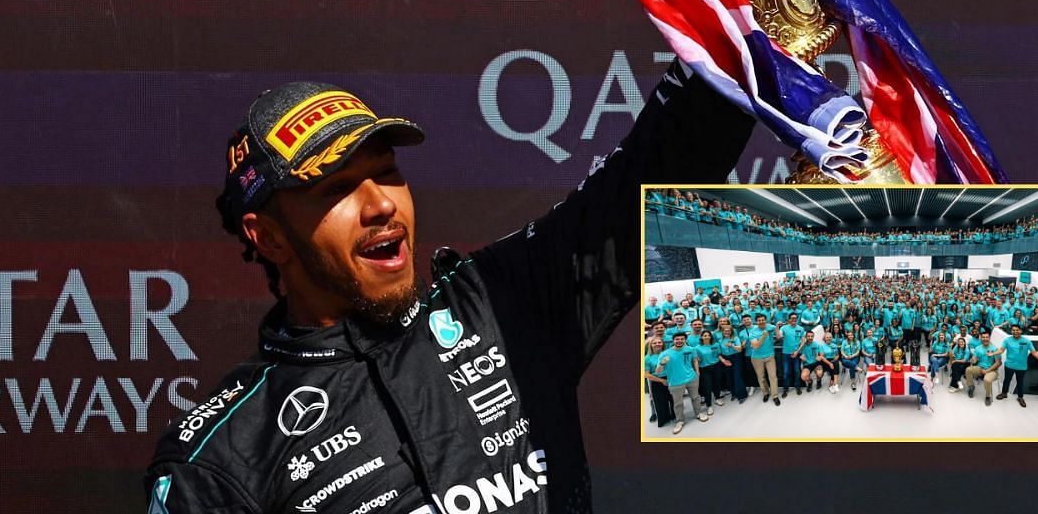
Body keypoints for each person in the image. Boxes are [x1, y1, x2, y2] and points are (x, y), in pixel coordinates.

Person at [144, 72, 752, 512]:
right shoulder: (221, 459)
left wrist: (750, 9)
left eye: (386, 172)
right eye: (339, 188)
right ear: (268, 237)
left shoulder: (502, 302)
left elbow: (661, 163)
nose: (382, 203)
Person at [657, 333, 708, 433]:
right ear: (673, 340)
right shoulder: (665, 354)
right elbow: (658, 371)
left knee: (695, 397)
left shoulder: (690, 349)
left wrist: (697, 372)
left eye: (682, 339)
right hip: (675, 382)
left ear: (685, 340)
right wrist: (662, 363)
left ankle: (698, 413)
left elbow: (694, 360)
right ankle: (680, 421)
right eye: (677, 339)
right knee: (678, 403)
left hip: (692, 378)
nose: (679, 341)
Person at [996, 324, 1038, 408]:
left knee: (1020, 382)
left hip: (1021, 366)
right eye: (1013, 330)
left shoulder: (1026, 341)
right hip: (1009, 365)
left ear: (1021, 331)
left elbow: (1034, 353)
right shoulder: (1007, 340)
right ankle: (1004, 393)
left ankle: (1020, 397)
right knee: (1007, 380)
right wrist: (993, 353)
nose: (1015, 332)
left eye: (1017, 330)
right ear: (1011, 331)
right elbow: (1001, 350)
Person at [748, 313, 782, 406]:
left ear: (765, 320)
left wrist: (777, 328)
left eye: (763, 320)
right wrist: (763, 336)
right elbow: (755, 346)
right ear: (756, 321)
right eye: (759, 320)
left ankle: (775, 396)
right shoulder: (752, 331)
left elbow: (778, 337)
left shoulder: (770, 326)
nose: (761, 322)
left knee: (773, 377)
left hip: (770, 356)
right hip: (757, 358)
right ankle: (766, 393)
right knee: (761, 377)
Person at [964, 331, 1004, 405]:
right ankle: (971, 386)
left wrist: (987, 370)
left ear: (989, 338)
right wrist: (973, 360)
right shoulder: (978, 348)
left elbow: (998, 363)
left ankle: (988, 396)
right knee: (968, 370)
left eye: (987, 337)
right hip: (980, 368)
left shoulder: (995, 349)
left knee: (987, 380)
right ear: (981, 338)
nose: (985, 339)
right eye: (983, 337)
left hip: (992, 370)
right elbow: (974, 359)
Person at [643, 337, 675, 429]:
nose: (657, 344)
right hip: (657, 381)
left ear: (663, 344)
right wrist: (662, 381)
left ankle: (675, 416)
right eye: (654, 343)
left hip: (671, 379)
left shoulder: (668, 354)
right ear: (651, 345)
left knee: (673, 400)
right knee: (660, 402)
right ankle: (664, 419)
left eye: (659, 342)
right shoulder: (647, 358)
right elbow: (646, 375)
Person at [717, 320, 748, 404]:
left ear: (731, 331)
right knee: (729, 377)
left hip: (736, 358)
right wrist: (723, 360)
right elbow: (719, 353)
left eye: (729, 331)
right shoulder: (720, 341)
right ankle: (734, 394)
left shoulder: (735, 338)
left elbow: (740, 349)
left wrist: (732, 345)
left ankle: (742, 395)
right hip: (726, 359)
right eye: (725, 331)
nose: (727, 332)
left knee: (737, 376)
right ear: (722, 332)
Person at [694, 330, 723, 416]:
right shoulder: (697, 348)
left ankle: (717, 398)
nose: (706, 337)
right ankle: (709, 405)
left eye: (708, 335)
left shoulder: (716, 345)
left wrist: (723, 360)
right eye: (705, 335)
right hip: (704, 368)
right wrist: (697, 370)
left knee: (717, 383)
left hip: (716, 366)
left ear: (711, 337)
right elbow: (696, 360)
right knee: (707, 387)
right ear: (701, 337)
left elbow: (718, 355)